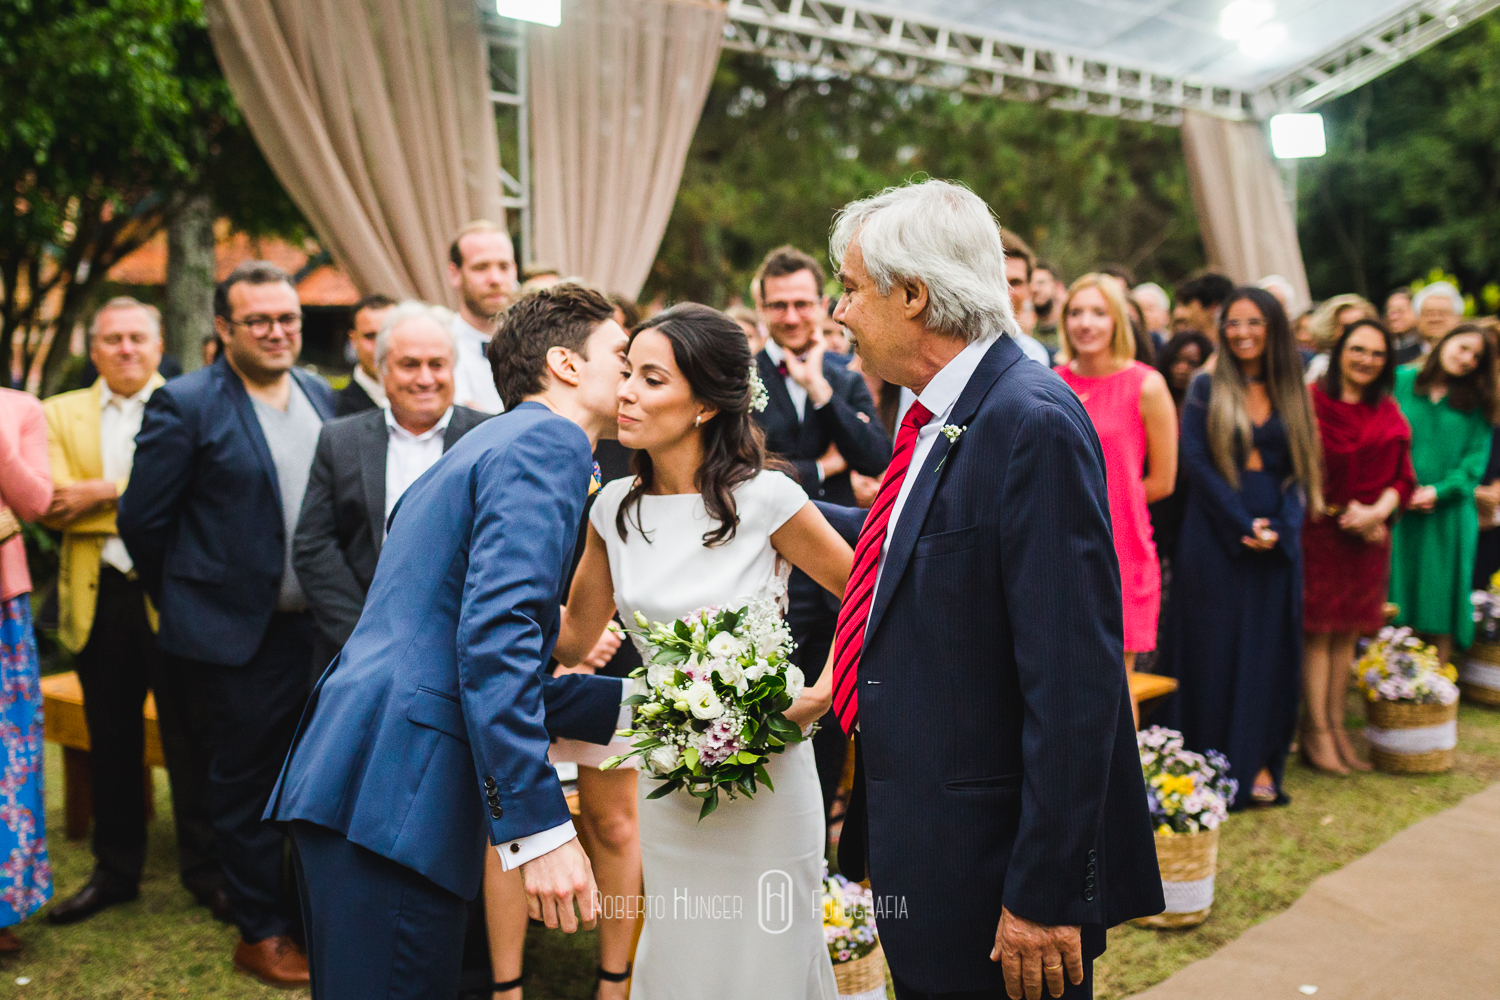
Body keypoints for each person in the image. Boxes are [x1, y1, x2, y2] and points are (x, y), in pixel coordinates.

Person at [828, 180, 1162, 1000]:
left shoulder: (1029, 420)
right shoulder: (946, 412)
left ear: (913, 295)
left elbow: (1077, 682)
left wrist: (1045, 895)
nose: (840, 312)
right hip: (936, 851)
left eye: (848, 289)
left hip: (999, 874)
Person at [266, 283, 637, 1000]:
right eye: (620, 356)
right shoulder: (546, 442)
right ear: (564, 363)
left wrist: (646, 712)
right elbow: (495, 641)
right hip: (398, 793)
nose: (630, 374)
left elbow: (464, 640)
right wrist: (543, 830)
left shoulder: (480, 446)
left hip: (362, 779)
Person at [553, 302, 853, 1000]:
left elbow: (862, 588)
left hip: (771, 774)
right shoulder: (611, 510)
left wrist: (828, 688)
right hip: (671, 782)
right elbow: (571, 635)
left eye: (650, 379)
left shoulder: (768, 498)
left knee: (772, 961)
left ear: (704, 405)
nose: (625, 390)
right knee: (684, 957)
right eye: (626, 372)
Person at [118, 261, 335, 986]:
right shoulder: (185, 404)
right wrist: (193, 599)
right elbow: (143, 521)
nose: (278, 332)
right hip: (235, 639)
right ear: (223, 328)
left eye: (289, 319)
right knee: (243, 790)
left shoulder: (319, 392)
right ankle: (260, 932)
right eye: (261, 320)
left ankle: (309, 916)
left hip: (320, 633)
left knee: (315, 782)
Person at [41, 299, 224, 927]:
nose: (125, 348)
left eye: (136, 338)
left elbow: (198, 497)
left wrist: (101, 491)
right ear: (93, 349)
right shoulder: (57, 413)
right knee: (110, 737)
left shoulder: (191, 403)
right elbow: (52, 502)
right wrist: (136, 492)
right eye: (112, 338)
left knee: (190, 736)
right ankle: (115, 871)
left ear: (157, 344)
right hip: (98, 598)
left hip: (171, 592)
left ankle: (206, 869)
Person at [1159, 288, 1324, 809]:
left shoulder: (1293, 389)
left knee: (1268, 652)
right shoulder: (1208, 386)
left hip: (1278, 540)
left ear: (1274, 327)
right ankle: (1206, 763)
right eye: (1232, 323)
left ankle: (1257, 761)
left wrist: (1281, 526)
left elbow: (1302, 470)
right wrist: (1241, 523)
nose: (1243, 332)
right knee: (1212, 648)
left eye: (1254, 322)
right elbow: (1196, 462)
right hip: (1214, 534)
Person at [751, 245, 891, 817]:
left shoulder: (843, 375)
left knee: (835, 700)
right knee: (775, 690)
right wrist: (823, 469)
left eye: (802, 303)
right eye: (778, 305)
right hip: (770, 564)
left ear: (821, 305)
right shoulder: (742, 377)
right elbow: (745, 466)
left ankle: (824, 823)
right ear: (760, 308)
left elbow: (874, 453)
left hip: (837, 562)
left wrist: (822, 392)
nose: (791, 316)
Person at [293, 301, 490, 672]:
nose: (425, 378)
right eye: (409, 364)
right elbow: (314, 546)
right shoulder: (341, 440)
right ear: (381, 370)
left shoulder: (489, 437)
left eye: (437, 364)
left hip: (465, 651)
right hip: (359, 652)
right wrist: (366, 636)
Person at [1054, 276, 1177, 703]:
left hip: (1122, 549)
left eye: (1098, 312)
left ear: (1118, 321)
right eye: (1076, 312)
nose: (1085, 323)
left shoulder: (1147, 385)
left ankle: (1122, 773)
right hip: (1056, 548)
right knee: (1061, 682)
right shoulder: (1051, 383)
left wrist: (1104, 503)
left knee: (1116, 691)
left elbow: (1163, 480)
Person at [1301, 318, 1414, 776]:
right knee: (1318, 635)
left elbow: (1403, 477)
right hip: (1322, 533)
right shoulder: (1312, 403)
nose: (1366, 360)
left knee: (1347, 637)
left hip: (1368, 539)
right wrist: (1346, 513)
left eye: (1376, 353)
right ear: (1339, 350)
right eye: (1358, 350)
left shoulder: (1387, 410)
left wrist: (1377, 514)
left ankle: (1337, 728)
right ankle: (1315, 733)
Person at [1389, 323, 1497, 665]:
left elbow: (1474, 463)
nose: (1466, 359)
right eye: (1463, 347)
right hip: (1398, 506)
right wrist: (1399, 487)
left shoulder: (1479, 402)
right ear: (1445, 340)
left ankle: (1434, 687)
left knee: (1441, 600)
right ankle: (1391, 682)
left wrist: (1437, 492)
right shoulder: (1400, 381)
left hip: (1448, 515)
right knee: (1397, 595)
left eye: (1476, 357)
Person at [0, 383, 53, 954]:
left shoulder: (19, 408)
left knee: (7, 759)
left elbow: (38, 502)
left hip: (2, 606)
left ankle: (1, 906)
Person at [1148, 332, 1214, 566]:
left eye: (1192, 363)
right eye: (1177, 361)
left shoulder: (1207, 406)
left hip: (1193, 497)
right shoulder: (1154, 397)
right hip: (1159, 498)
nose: (1182, 368)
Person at [447, 219, 518, 413]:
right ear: (455, 274)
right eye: (481, 267)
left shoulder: (539, 343)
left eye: (504, 267)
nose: (495, 279)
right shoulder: (438, 348)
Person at [334, 294, 397, 415]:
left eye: (389, 335)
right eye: (370, 336)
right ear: (353, 340)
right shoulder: (334, 408)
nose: (380, 347)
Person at [998, 230, 1054, 365]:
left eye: (1015, 282)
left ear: (1029, 290)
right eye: (998, 280)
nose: (1006, 291)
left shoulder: (1034, 355)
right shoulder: (952, 349)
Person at [1301, 294, 1378, 384]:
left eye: (1361, 325)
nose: (1356, 333)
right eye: (1347, 327)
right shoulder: (1322, 368)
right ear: (1332, 331)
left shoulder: (1379, 361)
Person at [1412, 281, 1464, 354]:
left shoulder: (1469, 357)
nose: (1435, 319)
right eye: (1428, 313)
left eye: (1442, 313)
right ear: (1417, 318)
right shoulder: (1399, 358)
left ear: (1458, 318)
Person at [1385, 288, 1421, 364]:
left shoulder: (1426, 347)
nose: (1393, 317)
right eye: (1391, 312)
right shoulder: (1385, 350)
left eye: (1400, 311)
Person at [1031, 260, 1062, 348]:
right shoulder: (1025, 332)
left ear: (1057, 287)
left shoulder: (1068, 331)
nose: (1034, 289)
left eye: (1041, 283)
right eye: (1030, 283)